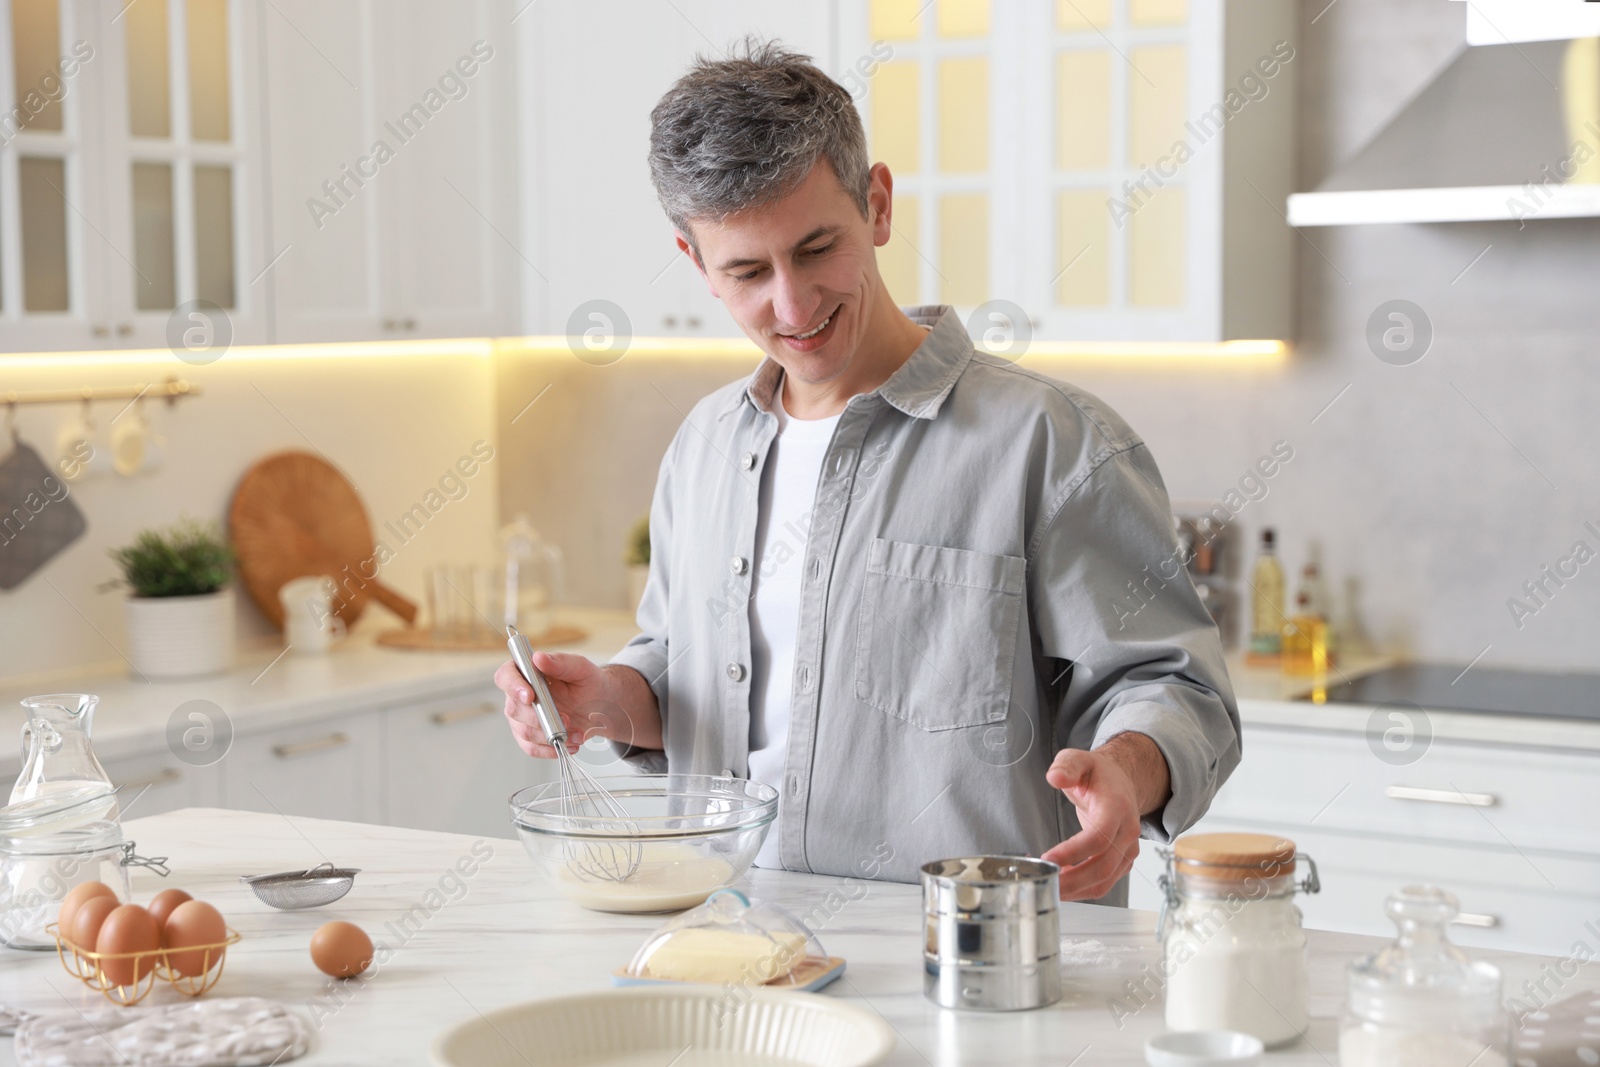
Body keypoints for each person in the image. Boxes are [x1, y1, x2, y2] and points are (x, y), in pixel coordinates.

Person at [496, 41, 1240, 903]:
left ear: (877, 204)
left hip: (971, 961)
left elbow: (1174, 687)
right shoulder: (703, 448)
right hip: (730, 943)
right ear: (695, 262)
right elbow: (693, 673)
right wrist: (612, 700)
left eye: (817, 249)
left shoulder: (1052, 442)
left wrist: (1124, 770)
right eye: (746, 270)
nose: (793, 305)